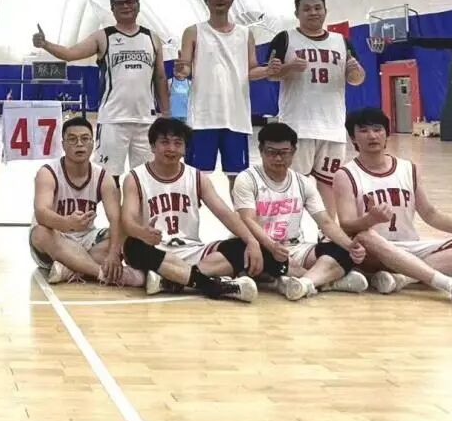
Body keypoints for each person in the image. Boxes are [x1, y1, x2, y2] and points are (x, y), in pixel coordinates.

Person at [333, 108, 452, 309]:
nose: (372, 135)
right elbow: (346, 225)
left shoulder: (408, 168)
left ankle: (402, 278)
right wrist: (370, 219)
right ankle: (450, 285)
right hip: (372, 251)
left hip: (408, 246)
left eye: (377, 129)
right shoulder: (345, 174)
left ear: (387, 133)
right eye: (363, 131)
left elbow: (430, 214)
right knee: (365, 236)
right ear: (353, 137)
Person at [121, 117, 268, 297]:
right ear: (152, 146)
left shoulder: (197, 177)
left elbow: (225, 214)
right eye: (165, 142)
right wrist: (142, 232)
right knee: (132, 246)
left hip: (191, 251)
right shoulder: (135, 178)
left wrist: (252, 241)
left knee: (240, 246)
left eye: (178, 143)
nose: (171, 148)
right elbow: (127, 221)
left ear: (185, 148)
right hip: (155, 250)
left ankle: (172, 280)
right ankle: (211, 285)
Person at [32, 0, 168, 176]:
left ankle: (137, 199)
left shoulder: (152, 38)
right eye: (119, 3)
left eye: (130, 2)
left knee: (145, 177)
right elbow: (70, 53)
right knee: (108, 176)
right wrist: (45, 44)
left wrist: (167, 113)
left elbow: (160, 77)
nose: (126, 6)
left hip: (146, 119)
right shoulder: (104, 36)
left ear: (138, 5)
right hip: (113, 119)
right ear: (112, 9)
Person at [231, 122, 368, 300]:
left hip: (294, 247)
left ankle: (302, 283)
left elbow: (325, 222)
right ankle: (325, 281)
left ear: (294, 151)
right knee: (243, 254)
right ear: (261, 150)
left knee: (341, 251)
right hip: (261, 246)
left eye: (284, 153)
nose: (278, 158)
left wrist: (350, 246)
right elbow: (247, 220)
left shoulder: (302, 182)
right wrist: (271, 246)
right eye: (271, 152)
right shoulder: (247, 179)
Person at [265, 0, 366, 204]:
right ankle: (291, 224)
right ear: (297, 13)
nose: (313, 12)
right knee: (293, 185)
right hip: (297, 126)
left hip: (332, 127)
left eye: (318, 8)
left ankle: (327, 225)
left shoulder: (342, 41)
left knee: (330, 185)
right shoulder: (285, 38)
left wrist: (356, 72)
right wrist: (289, 67)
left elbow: (356, 79)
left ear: (325, 11)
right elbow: (271, 75)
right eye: (307, 8)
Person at [176, 0, 270, 186]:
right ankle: (193, 209)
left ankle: (239, 209)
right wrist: (182, 71)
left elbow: (251, 70)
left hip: (236, 116)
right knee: (196, 177)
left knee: (238, 178)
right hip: (203, 117)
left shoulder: (245, 34)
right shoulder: (193, 31)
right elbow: (186, 66)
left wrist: (269, 70)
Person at [30, 116, 140, 286]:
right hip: (56, 238)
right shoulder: (48, 173)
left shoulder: (103, 177)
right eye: (72, 139)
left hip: (87, 239)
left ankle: (71, 267)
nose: (79, 144)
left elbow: (116, 219)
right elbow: (41, 213)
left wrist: (113, 253)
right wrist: (67, 223)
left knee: (126, 232)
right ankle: (100, 273)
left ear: (93, 143)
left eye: (85, 138)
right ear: (63, 144)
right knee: (40, 233)